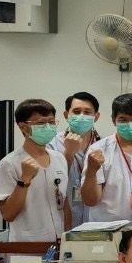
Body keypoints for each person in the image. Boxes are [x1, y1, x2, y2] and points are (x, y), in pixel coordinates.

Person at [0, 98, 71, 240]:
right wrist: (24, 179)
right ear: (23, 127)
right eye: (41, 123)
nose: (48, 127)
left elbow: (63, 202)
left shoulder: (59, 158)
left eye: (51, 122)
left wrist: (68, 237)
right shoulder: (9, 164)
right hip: (27, 243)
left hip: (59, 241)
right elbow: (8, 214)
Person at [82, 93, 132, 228]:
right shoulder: (98, 150)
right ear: (113, 120)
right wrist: (91, 171)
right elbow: (90, 200)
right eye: (123, 120)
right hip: (108, 230)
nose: (130, 125)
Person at [49, 90, 102, 229]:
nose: (81, 116)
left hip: (97, 220)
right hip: (63, 219)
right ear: (66, 115)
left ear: (96, 117)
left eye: (87, 112)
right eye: (76, 112)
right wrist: (69, 153)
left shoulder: (103, 145)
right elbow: (51, 180)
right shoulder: (52, 143)